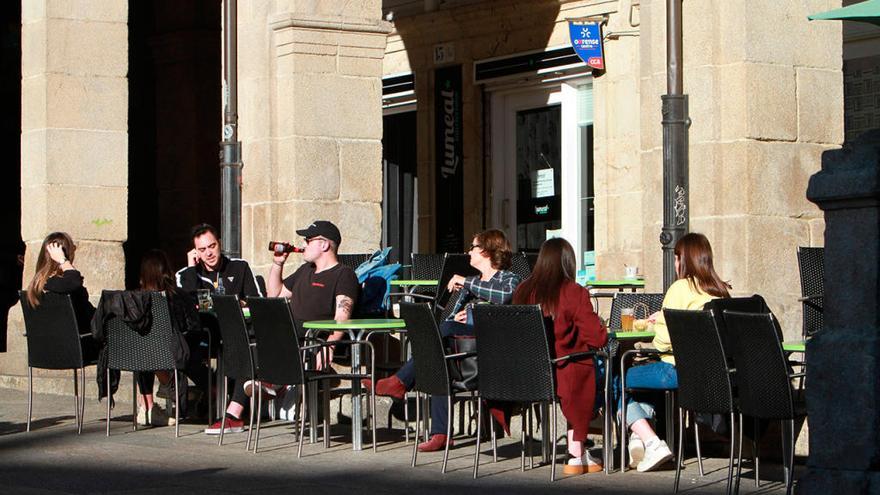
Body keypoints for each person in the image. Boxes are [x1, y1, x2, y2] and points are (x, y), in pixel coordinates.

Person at [364, 229, 521, 453]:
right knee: (439, 356)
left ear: (486, 251)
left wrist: (469, 295)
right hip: (460, 351)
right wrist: (457, 316)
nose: (468, 252)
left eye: (473, 247)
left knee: (441, 338)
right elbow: (447, 321)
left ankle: (399, 382)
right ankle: (441, 434)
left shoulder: (509, 278)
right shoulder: (472, 282)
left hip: (488, 355)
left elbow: (504, 296)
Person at [205, 220, 360, 435]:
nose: (303, 244)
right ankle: (242, 407)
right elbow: (274, 295)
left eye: (308, 240)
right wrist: (278, 264)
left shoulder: (343, 275)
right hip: (288, 336)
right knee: (250, 337)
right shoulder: (305, 270)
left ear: (324, 245)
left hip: (312, 338)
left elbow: (342, 316)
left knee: (263, 338)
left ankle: (262, 390)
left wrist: (330, 346)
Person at [624, 232, 731, 472]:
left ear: (686, 260)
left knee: (619, 379)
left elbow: (663, 343)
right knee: (646, 383)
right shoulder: (721, 291)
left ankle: (646, 438)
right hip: (710, 374)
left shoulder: (680, 288)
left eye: (676, 257)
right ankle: (640, 438)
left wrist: (659, 326)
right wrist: (664, 318)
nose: (674, 263)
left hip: (674, 370)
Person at [512, 237, 608, 475]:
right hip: (563, 372)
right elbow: (597, 339)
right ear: (568, 263)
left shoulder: (523, 290)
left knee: (578, 365)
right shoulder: (573, 292)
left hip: (529, 374)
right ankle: (576, 453)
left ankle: (578, 451)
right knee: (587, 363)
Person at [135, 249, 207, 426]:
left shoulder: (135, 300)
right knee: (193, 352)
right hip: (176, 355)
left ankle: (148, 406)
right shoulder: (178, 296)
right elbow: (194, 327)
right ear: (167, 270)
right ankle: (180, 387)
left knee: (143, 351)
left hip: (143, 355)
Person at [25, 232, 100, 362]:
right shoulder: (55, 282)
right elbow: (74, 281)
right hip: (78, 346)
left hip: (51, 349)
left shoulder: (38, 284)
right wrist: (62, 260)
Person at [176, 223, 262, 300]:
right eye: (202, 250)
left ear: (219, 243)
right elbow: (189, 308)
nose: (208, 253)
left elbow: (256, 303)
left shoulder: (240, 267)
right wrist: (191, 270)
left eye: (212, 246)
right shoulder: (183, 275)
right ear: (195, 251)